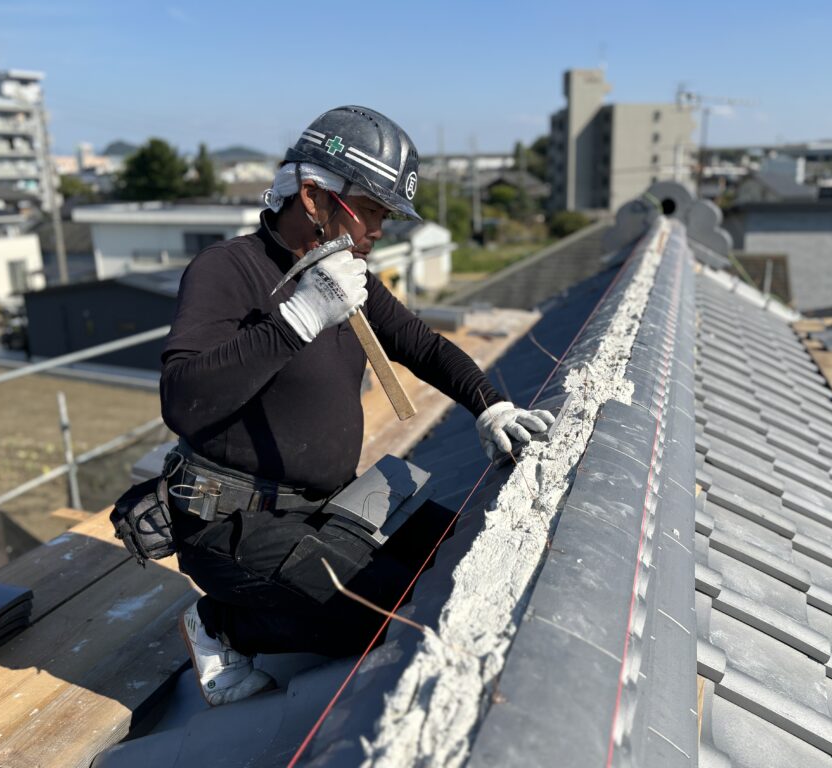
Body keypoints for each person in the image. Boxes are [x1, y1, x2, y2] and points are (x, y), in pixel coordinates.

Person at [160, 106, 554, 706]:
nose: (378, 230)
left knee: (458, 549)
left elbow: (422, 345)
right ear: (315, 197)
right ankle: (220, 625)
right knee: (381, 616)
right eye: (370, 210)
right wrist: (300, 317)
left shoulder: (346, 275)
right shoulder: (228, 271)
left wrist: (490, 406)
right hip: (231, 522)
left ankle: (284, 594)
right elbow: (183, 399)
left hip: (324, 502)